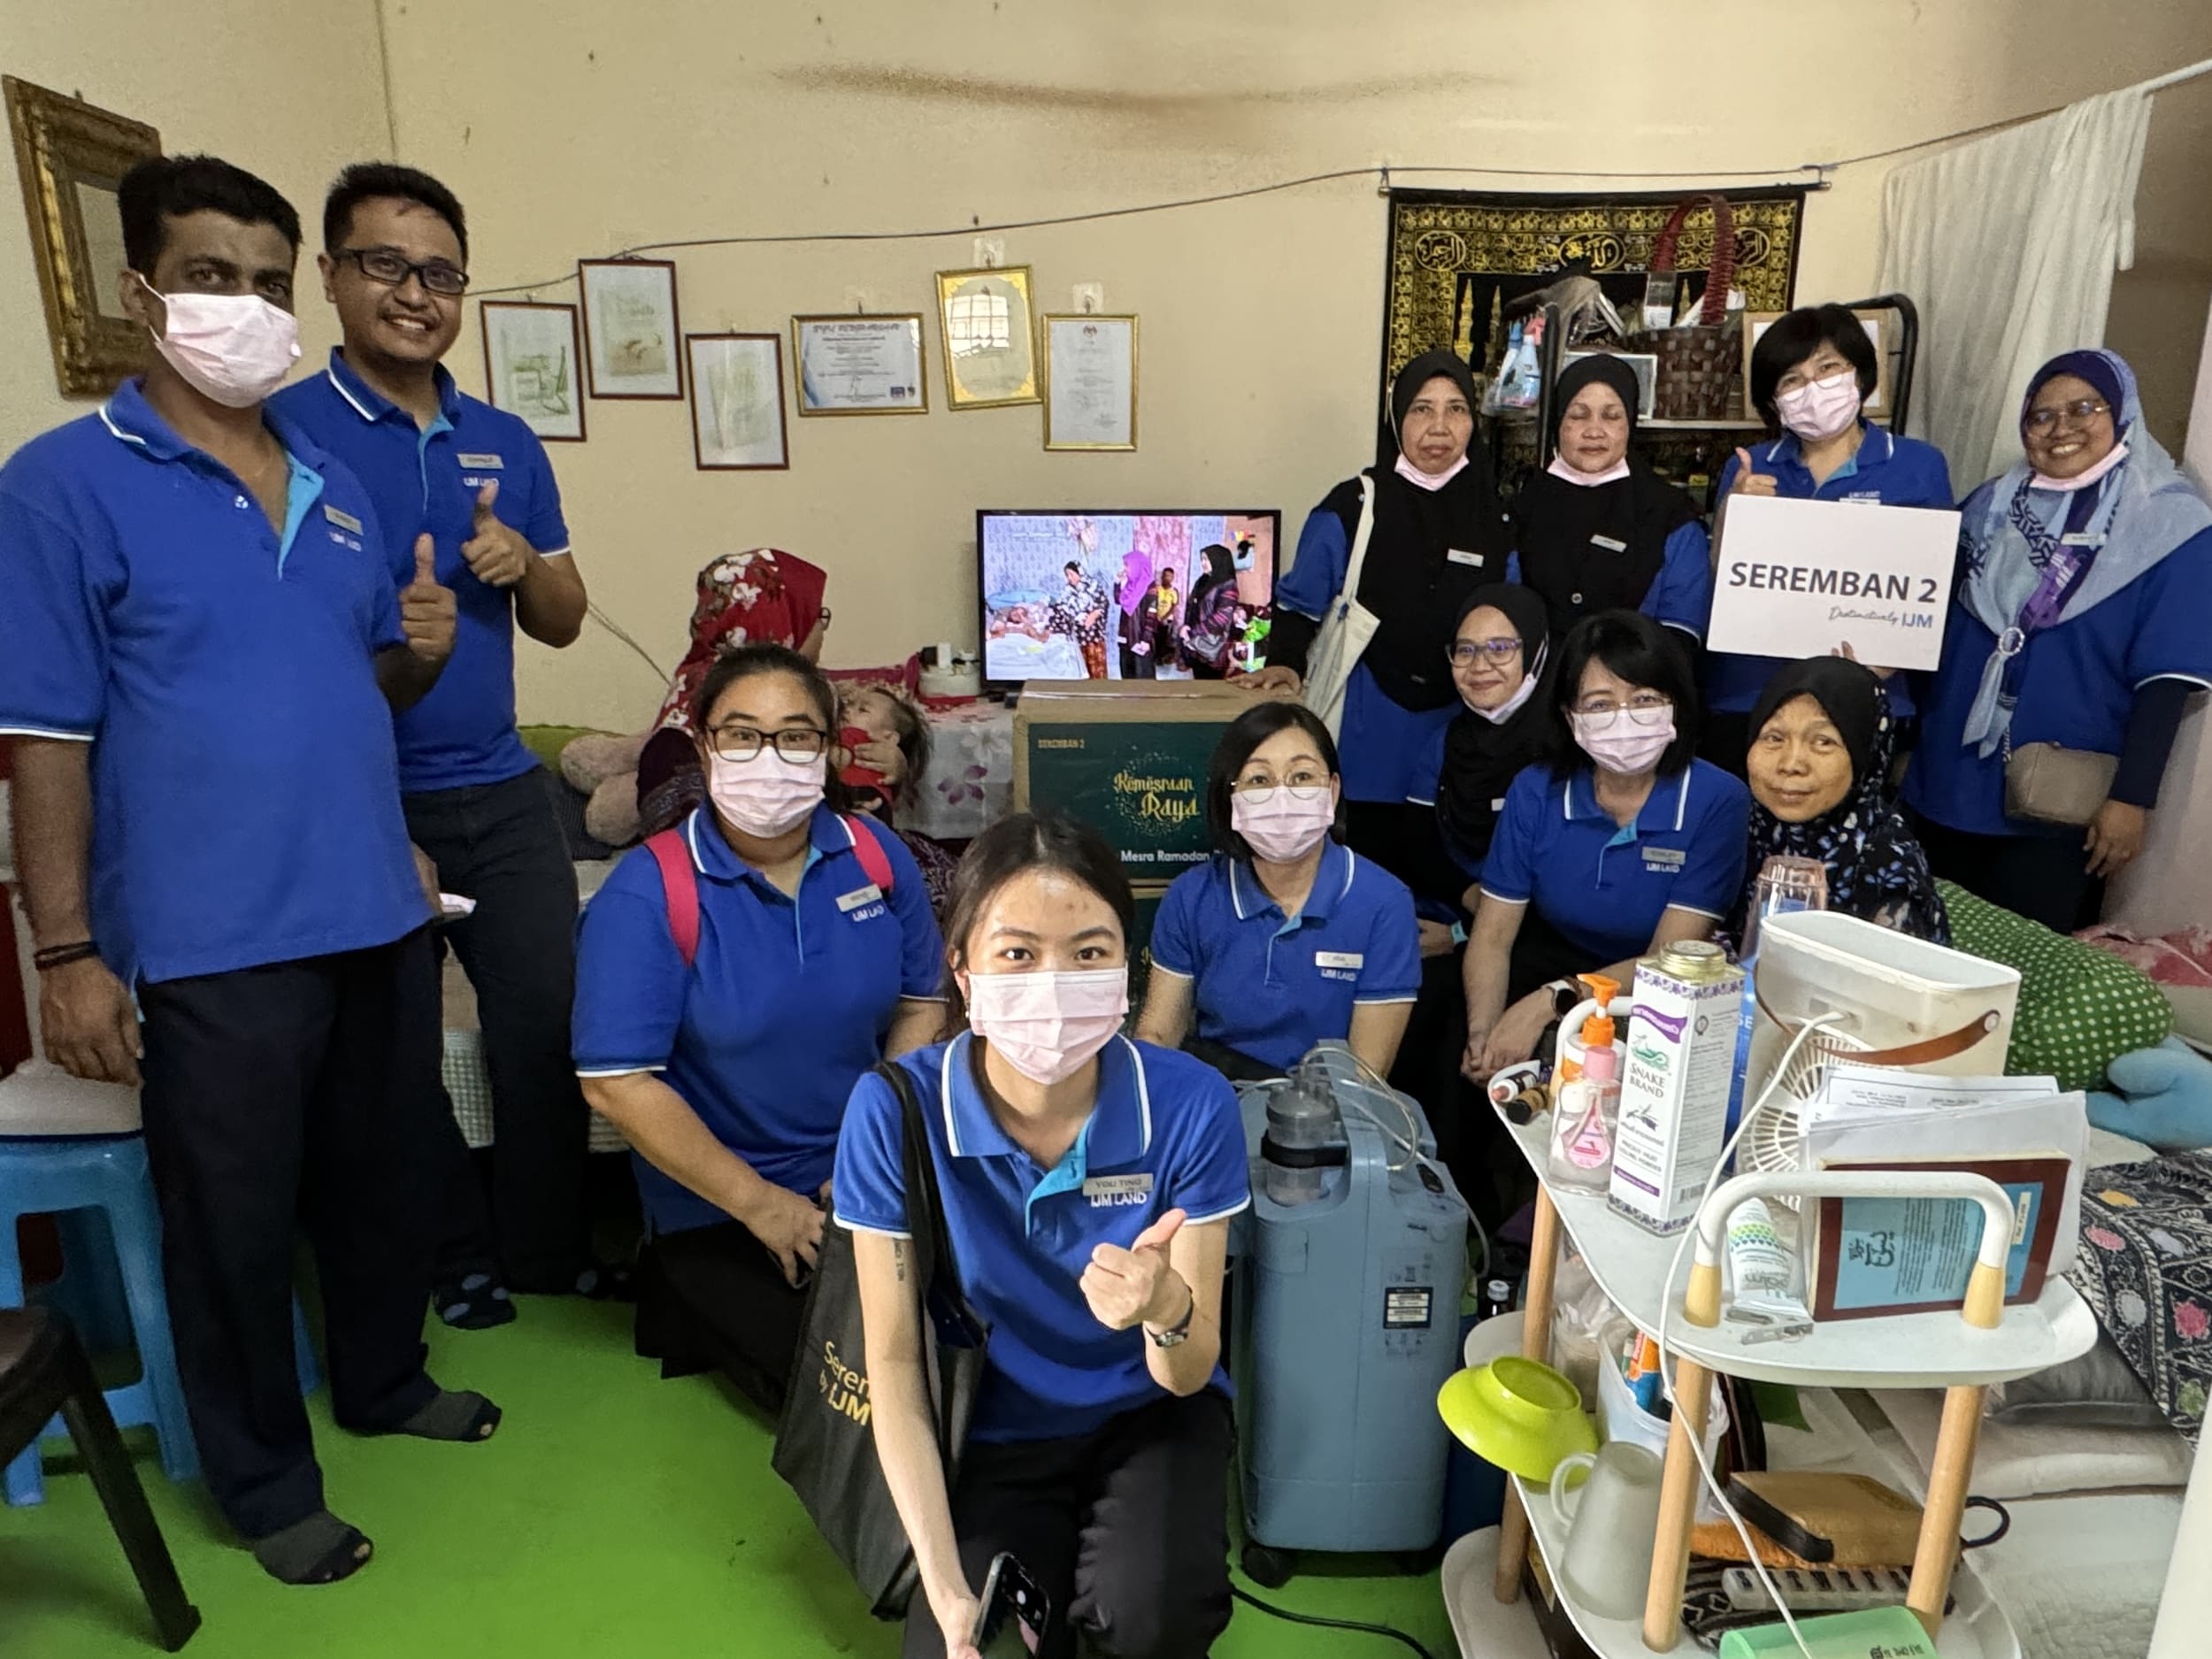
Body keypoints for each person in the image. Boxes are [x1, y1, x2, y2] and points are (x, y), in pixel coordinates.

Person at [0, 155, 496, 1585]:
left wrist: (419, 655)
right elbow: (45, 740)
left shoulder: (336, 490)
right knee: (229, 1222)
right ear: (140, 290)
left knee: (384, 1172)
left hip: (371, 910)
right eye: (213, 276)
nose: (248, 307)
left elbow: (344, 694)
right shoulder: (62, 487)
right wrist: (67, 949)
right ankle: (266, 1483)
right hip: (213, 939)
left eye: (268, 283)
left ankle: (389, 1382)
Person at [272, 163, 603, 1317]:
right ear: (330, 277)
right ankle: (447, 1256)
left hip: (502, 787)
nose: (415, 292)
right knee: (390, 1046)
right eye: (385, 264)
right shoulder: (282, 428)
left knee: (549, 1022)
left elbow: (563, 616)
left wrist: (521, 564)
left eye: (440, 273)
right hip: (361, 794)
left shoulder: (502, 438)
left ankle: (545, 1254)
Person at [834, 813, 1250, 1659]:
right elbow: (895, 1362)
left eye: (1090, 952)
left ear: (1127, 971)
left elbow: (1188, 1370)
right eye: (1018, 953)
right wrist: (944, 1586)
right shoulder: (894, 1109)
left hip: (1150, 1419)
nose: (1054, 983)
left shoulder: (1193, 1102)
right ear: (963, 970)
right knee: (977, 1642)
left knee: (1150, 1622)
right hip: (989, 1431)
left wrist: (1165, 1304)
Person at [573, 644, 944, 1410]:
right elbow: (615, 1084)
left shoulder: (875, 858)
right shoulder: (650, 892)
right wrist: (764, 1207)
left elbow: (921, 1003)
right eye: (741, 734)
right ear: (705, 746)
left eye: (796, 735)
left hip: (862, 1175)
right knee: (864, 1391)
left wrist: (872, 1150)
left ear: (828, 747)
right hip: (723, 1205)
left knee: (998, 1336)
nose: (768, 759)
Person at [1903, 349, 2212, 933]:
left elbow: (2168, 679)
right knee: (1926, 947)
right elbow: (1926, 616)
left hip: (2057, 802)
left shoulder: (2169, 525)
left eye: (2084, 408)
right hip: (1945, 779)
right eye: (2041, 415)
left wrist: (2132, 799)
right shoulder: (1989, 506)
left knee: (2025, 969)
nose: (2061, 427)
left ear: (2121, 413)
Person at [1249, 349, 1512, 874]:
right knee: (1357, 879)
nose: (1438, 427)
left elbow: (1514, 621)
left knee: (1439, 885)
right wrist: (1282, 663)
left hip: (1459, 737)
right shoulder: (1353, 506)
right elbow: (1299, 605)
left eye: (1456, 409)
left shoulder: (1499, 517)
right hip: (1365, 731)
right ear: (1396, 417)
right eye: (1421, 409)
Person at [1462, 612, 1750, 1078]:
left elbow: (1666, 960)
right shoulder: (1536, 791)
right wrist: (1485, 1036)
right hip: (1547, 957)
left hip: (1656, 988)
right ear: (1569, 716)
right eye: (1599, 704)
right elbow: (1493, 935)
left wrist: (1551, 1002)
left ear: (1676, 706)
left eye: (1645, 699)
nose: (1625, 719)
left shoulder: (1718, 800)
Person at [1704, 304, 1955, 762]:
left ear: (1859, 375)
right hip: (1750, 694)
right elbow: (1720, 577)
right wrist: (1733, 516)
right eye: (1792, 380)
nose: (1812, 389)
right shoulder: (1749, 465)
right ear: (1773, 400)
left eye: (1827, 369)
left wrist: (1893, 652)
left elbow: (1933, 586)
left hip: (1864, 696)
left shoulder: (1918, 466)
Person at [1135, 703, 1420, 1079]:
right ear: (1230, 797)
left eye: (1302, 776)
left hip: (1332, 1108)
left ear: (1332, 791)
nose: (1281, 797)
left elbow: (1366, 1072)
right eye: (1259, 780)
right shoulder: (1192, 896)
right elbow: (1158, 1033)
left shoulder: (1384, 903)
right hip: (1218, 1093)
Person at [1737, 657, 1948, 944]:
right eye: (1774, 737)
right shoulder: (1736, 831)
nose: (1791, 763)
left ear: (1867, 754)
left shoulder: (1886, 861)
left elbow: (1888, 985)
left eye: (1823, 742)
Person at [1504, 354, 1710, 645]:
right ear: (1557, 423)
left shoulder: (1671, 517)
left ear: (1630, 425)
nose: (1594, 431)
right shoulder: (1523, 508)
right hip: (1536, 684)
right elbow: (1504, 619)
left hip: (1634, 681)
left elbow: (1680, 635)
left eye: (1611, 416)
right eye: (1578, 415)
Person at [636, 549, 829, 837]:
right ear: (781, 622)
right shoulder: (684, 738)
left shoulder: (686, 696)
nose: (823, 632)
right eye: (818, 617)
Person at [1046, 559, 1110, 680]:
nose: (1069, 578)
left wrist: (1095, 614)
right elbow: (1060, 610)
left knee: (1097, 668)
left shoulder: (1093, 586)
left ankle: (1101, 693)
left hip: (1094, 635)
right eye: (1067, 575)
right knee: (1082, 670)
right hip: (1078, 637)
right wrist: (1050, 628)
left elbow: (1104, 603)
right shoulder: (1067, 592)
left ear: (1080, 573)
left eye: (1071, 574)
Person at [1115, 548, 1156, 679]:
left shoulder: (1150, 588)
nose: (1125, 568)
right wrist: (1118, 583)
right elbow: (1118, 600)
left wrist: (1146, 639)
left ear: (1137, 565)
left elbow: (1152, 615)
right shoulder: (1129, 585)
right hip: (1125, 636)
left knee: (1141, 675)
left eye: (1127, 565)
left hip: (1139, 638)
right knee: (1127, 673)